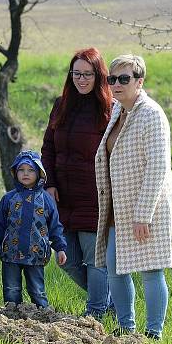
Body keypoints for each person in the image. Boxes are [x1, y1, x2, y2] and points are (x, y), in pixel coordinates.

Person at [94, 54, 172, 340]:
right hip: (119, 206)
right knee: (115, 268)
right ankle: (126, 329)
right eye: (112, 79)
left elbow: (158, 167)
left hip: (148, 207)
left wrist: (143, 214)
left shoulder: (152, 114)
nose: (116, 84)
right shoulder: (119, 110)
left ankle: (153, 333)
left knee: (150, 270)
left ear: (139, 81)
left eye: (124, 79)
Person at [41, 47, 113, 320]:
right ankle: (109, 302)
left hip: (94, 197)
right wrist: (49, 184)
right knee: (66, 258)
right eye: (76, 74)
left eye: (88, 74)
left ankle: (95, 314)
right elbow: (48, 148)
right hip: (62, 197)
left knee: (96, 261)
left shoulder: (109, 110)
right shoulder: (61, 106)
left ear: (99, 76)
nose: (81, 79)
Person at [0, 151, 68, 307]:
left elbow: (55, 227)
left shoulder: (46, 200)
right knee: (11, 290)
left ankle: (43, 317)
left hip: (36, 254)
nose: (26, 174)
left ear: (39, 173)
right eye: (21, 170)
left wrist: (60, 248)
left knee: (37, 290)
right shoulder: (9, 199)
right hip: (11, 254)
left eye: (31, 170)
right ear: (15, 173)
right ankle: (11, 319)